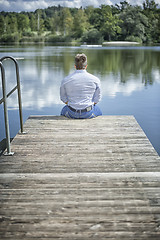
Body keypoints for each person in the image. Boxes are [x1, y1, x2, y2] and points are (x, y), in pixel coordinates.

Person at [60, 53, 102, 119]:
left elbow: (63, 98)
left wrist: (73, 104)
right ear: (86, 66)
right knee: (98, 110)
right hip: (88, 113)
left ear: (75, 66)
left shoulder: (66, 80)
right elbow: (97, 100)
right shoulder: (95, 79)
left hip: (71, 113)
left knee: (64, 110)